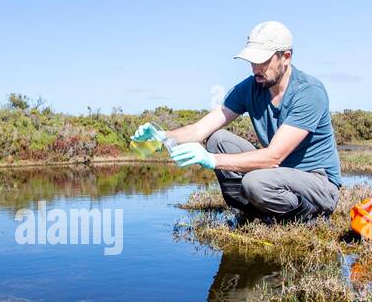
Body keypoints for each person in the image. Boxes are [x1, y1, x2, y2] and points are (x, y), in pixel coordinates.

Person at [133, 21, 342, 223]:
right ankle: (254, 209)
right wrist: (162, 136)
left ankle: (307, 216)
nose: (255, 68)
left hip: (317, 182)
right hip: (277, 176)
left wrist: (211, 160)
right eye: (252, 61)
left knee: (255, 182)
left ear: (286, 57)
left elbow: (273, 157)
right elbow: (200, 129)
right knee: (217, 139)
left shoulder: (309, 92)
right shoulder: (250, 87)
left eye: (263, 61)